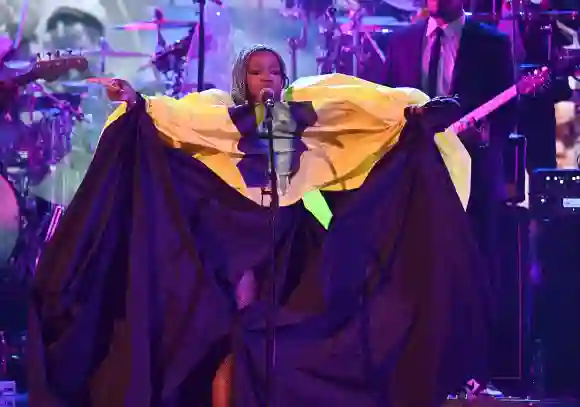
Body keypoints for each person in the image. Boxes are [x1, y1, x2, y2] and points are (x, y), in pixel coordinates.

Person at [29, 45, 488, 407]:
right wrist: (136, 101)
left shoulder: (303, 113)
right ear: (240, 80)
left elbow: (355, 120)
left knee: (287, 340)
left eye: (274, 71)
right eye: (256, 71)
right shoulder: (219, 115)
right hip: (234, 242)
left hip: (289, 241)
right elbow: (179, 121)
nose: (267, 78)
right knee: (228, 338)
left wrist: (412, 116)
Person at [383, 0, 516, 386]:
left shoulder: (491, 43)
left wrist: (485, 136)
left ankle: (473, 375)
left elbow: (509, 111)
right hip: (415, 179)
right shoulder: (401, 42)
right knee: (414, 270)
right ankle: (414, 370)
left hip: (471, 176)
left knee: (472, 272)